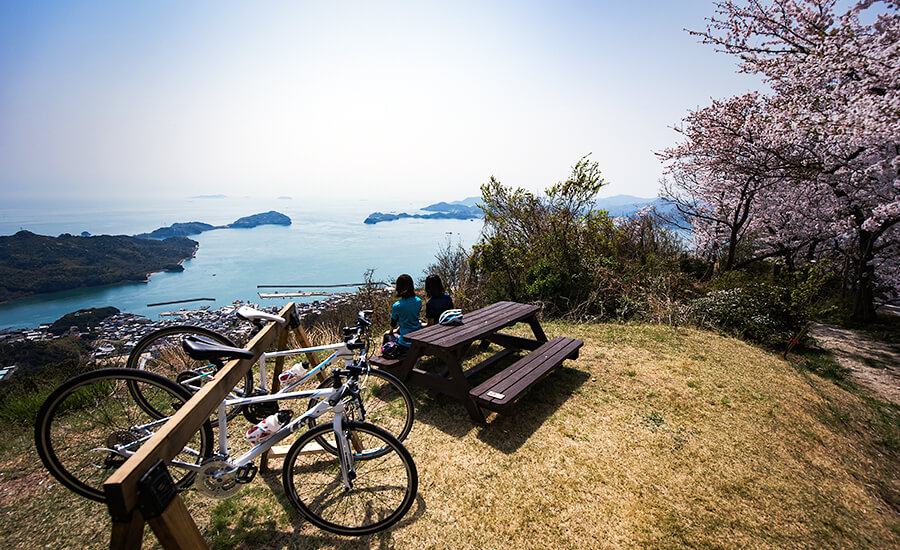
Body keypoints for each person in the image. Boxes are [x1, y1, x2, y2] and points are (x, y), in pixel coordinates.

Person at [386, 274, 422, 351]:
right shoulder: (418, 301)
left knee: (387, 336)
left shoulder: (397, 306)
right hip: (418, 338)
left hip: (405, 343)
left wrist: (391, 331)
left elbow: (393, 322)